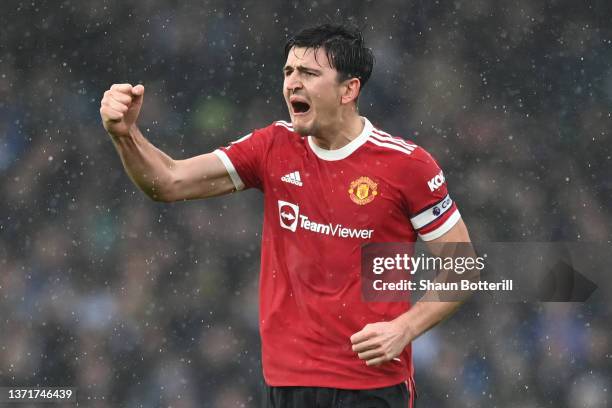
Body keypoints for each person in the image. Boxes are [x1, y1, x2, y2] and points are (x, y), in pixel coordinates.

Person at [100, 23, 471, 408]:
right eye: (288, 72)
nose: (293, 83)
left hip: (370, 384)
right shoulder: (273, 146)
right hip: (288, 382)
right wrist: (125, 135)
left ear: (349, 89)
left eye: (309, 73)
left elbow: (465, 267)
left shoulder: (405, 165)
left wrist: (404, 328)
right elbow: (169, 182)